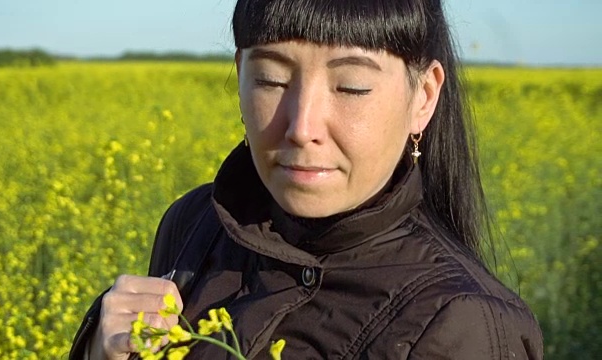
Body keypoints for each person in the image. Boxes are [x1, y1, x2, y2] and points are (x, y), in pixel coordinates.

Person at [70, 0, 544, 359]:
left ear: (423, 97)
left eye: (351, 87)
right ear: (239, 79)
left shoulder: (463, 324)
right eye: (271, 80)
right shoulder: (192, 223)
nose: (301, 127)